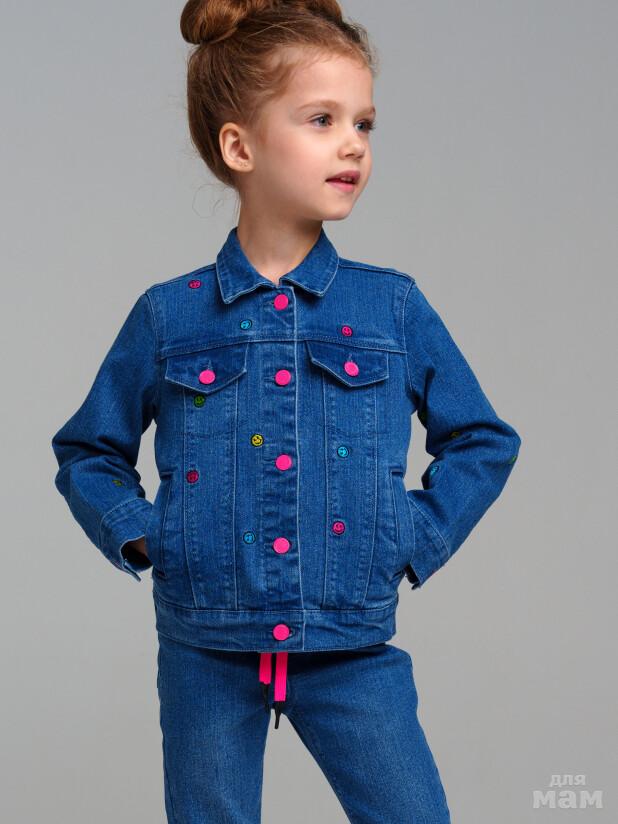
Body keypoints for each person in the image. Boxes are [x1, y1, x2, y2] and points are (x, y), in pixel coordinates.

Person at [50, 1, 522, 821]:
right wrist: (150, 535)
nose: (354, 144)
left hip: (350, 644)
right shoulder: (170, 315)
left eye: (364, 123)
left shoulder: (391, 308)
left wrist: (409, 534)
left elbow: (482, 438)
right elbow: (89, 449)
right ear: (240, 146)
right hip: (205, 647)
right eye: (322, 119)